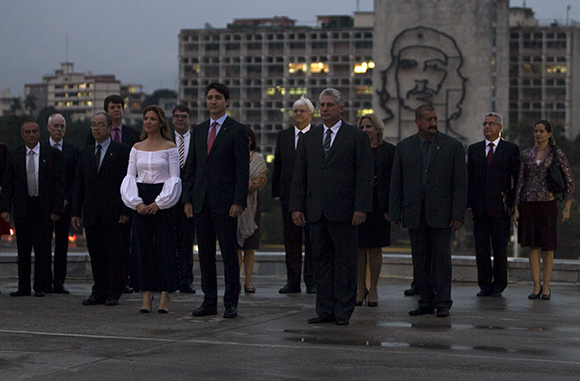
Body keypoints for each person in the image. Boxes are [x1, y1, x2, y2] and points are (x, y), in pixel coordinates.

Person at [290, 88, 374, 325]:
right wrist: (297, 206)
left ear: (341, 108)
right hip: (316, 211)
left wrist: (361, 207)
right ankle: (324, 309)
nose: (325, 109)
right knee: (321, 263)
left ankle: (343, 311)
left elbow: (364, 175)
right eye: (322, 105)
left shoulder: (356, 137)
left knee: (345, 263)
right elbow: (300, 175)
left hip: (346, 212)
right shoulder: (310, 138)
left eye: (329, 105)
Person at [389, 104, 467, 318]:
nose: (433, 123)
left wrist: (457, 214)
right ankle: (425, 301)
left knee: (441, 260)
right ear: (417, 122)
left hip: (442, 214)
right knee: (420, 260)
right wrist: (395, 214)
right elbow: (397, 182)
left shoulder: (452, 146)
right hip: (415, 213)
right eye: (428, 119)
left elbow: (460, 184)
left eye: (434, 119)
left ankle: (442, 302)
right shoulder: (404, 147)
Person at [183, 82, 249, 319]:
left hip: (226, 204)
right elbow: (192, 167)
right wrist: (187, 199)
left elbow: (242, 171)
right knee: (206, 255)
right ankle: (209, 300)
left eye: (218, 98)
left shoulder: (237, 130)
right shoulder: (198, 131)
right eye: (209, 97)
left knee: (230, 255)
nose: (213, 101)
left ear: (227, 101)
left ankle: (231, 302)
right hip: (201, 203)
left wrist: (238, 201)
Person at [121, 105, 182, 313]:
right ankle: (146, 294)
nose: (148, 122)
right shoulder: (136, 147)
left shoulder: (169, 147)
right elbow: (130, 177)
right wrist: (136, 202)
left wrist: (160, 203)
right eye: (145, 119)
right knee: (141, 247)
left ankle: (165, 294)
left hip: (163, 198)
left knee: (164, 247)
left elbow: (175, 178)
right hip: (140, 198)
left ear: (160, 122)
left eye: (152, 119)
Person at [72, 112, 131, 306]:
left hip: (113, 213)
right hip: (91, 213)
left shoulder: (121, 151)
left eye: (100, 125)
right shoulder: (85, 152)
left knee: (114, 254)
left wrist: (125, 210)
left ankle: (114, 291)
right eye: (93, 125)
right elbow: (79, 184)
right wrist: (75, 211)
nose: (96, 128)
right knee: (96, 254)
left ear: (109, 128)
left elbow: (127, 182)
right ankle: (98, 291)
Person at [1, 121, 63, 297]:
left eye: (34, 131)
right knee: (23, 249)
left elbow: (59, 184)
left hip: (43, 207)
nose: (31, 135)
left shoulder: (51, 154)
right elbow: (7, 184)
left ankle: (41, 286)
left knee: (43, 249)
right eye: (27, 132)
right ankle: (23, 286)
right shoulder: (14, 155)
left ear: (39, 133)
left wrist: (56, 209)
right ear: (22, 134)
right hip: (23, 207)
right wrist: (5, 208)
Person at [514, 120, 574, 300]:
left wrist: (567, 207)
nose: (538, 134)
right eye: (536, 131)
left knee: (548, 247)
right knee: (532, 246)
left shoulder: (557, 154)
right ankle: (536, 286)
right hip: (528, 203)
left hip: (548, 202)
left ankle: (546, 287)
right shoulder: (526, 154)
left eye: (541, 131)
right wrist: (516, 206)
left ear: (549, 134)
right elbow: (520, 181)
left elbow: (569, 179)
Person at [86, 94, 141, 294]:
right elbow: (83, 177)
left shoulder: (131, 138)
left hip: (118, 205)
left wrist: (127, 206)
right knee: (98, 252)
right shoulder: (89, 145)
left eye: (119, 107)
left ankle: (119, 284)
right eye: (113, 107)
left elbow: (131, 176)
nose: (117, 110)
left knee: (120, 248)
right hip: (95, 209)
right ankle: (100, 289)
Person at [467, 112, 520, 297]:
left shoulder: (510, 149)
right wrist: (468, 205)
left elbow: (517, 179)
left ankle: (499, 284)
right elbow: (469, 179)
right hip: (480, 207)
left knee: (500, 248)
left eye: (491, 124)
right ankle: (484, 284)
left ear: (500, 127)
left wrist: (514, 204)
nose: (487, 127)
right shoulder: (474, 150)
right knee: (481, 248)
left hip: (501, 208)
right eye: (485, 124)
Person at [272, 95, 316, 294]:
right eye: (296, 111)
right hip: (288, 196)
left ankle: (312, 281)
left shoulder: (318, 135)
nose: (298, 114)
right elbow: (278, 166)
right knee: (291, 241)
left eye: (302, 111)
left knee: (313, 241)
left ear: (311, 115)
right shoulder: (283, 136)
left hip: (312, 196)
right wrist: (276, 192)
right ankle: (292, 281)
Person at [355, 113, 395, 307]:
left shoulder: (389, 151)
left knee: (375, 248)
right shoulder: (355, 150)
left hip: (380, 207)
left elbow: (393, 182)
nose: (365, 130)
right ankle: (360, 288)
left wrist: (390, 208)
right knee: (359, 248)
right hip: (359, 206)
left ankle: (374, 289)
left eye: (368, 126)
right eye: (362, 127)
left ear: (377, 129)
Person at [45, 113, 79, 294]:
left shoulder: (73, 151)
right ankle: (44, 281)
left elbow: (76, 180)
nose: (59, 129)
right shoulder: (41, 149)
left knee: (61, 245)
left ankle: (59, 281)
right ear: (49, 128)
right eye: (55, 126)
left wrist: (66, 200)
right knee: (43, 245)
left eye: (62, 127)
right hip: (44, 207)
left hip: (65, 206)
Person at [237, 128, 268, 293]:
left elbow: (257, 182)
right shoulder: (232, 158)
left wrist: (240, 185)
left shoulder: (258, 160)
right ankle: (235, 279)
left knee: (250, 246)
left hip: (253, 206)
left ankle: (248, 281)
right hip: (234, 204)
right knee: (236, 246)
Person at [171, 104, 196, 294]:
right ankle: (169, 278)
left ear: (189, 119)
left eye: (184, 116)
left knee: (186, 241)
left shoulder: (197, 139)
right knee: (167, 240)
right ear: (172, 120)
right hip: (167, 199)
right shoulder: (164, 140)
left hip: (190, 199)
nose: (180, 119)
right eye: (177, 116)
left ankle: (186, 279)